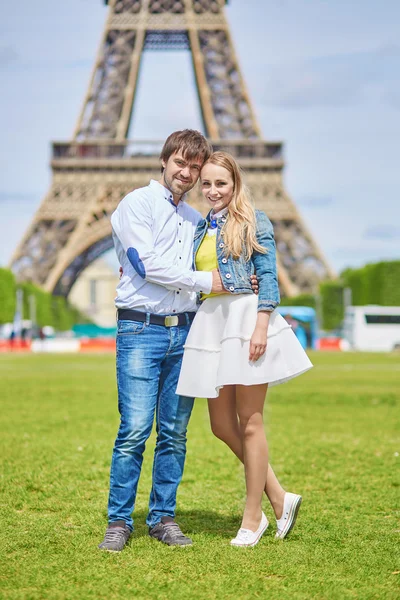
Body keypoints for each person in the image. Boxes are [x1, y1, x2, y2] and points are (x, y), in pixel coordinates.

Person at [99, 130, 255, 552]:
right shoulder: (136, 204)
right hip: (140, 329)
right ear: (164, 161)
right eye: (180, 163)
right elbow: (144, 263)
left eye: (194, 167)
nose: (186, 173)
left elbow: (219, 261)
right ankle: (118, 521)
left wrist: (256, 298)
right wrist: (209, 281)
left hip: (184, 331)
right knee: (133, 430)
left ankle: (163, 518)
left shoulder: (194, 220)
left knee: (173, 432)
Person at [176, 151, 313, 547]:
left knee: (250, 422)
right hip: (212, 323)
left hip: (246, 321)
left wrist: (261, 326)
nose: (213, 190)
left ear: (235, 184)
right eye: (207, 184)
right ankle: (279, 496)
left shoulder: (254, 220)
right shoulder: (200, 226)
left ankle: (253, 518)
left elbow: (269, 278)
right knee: (221, 426)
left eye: (221, 183)